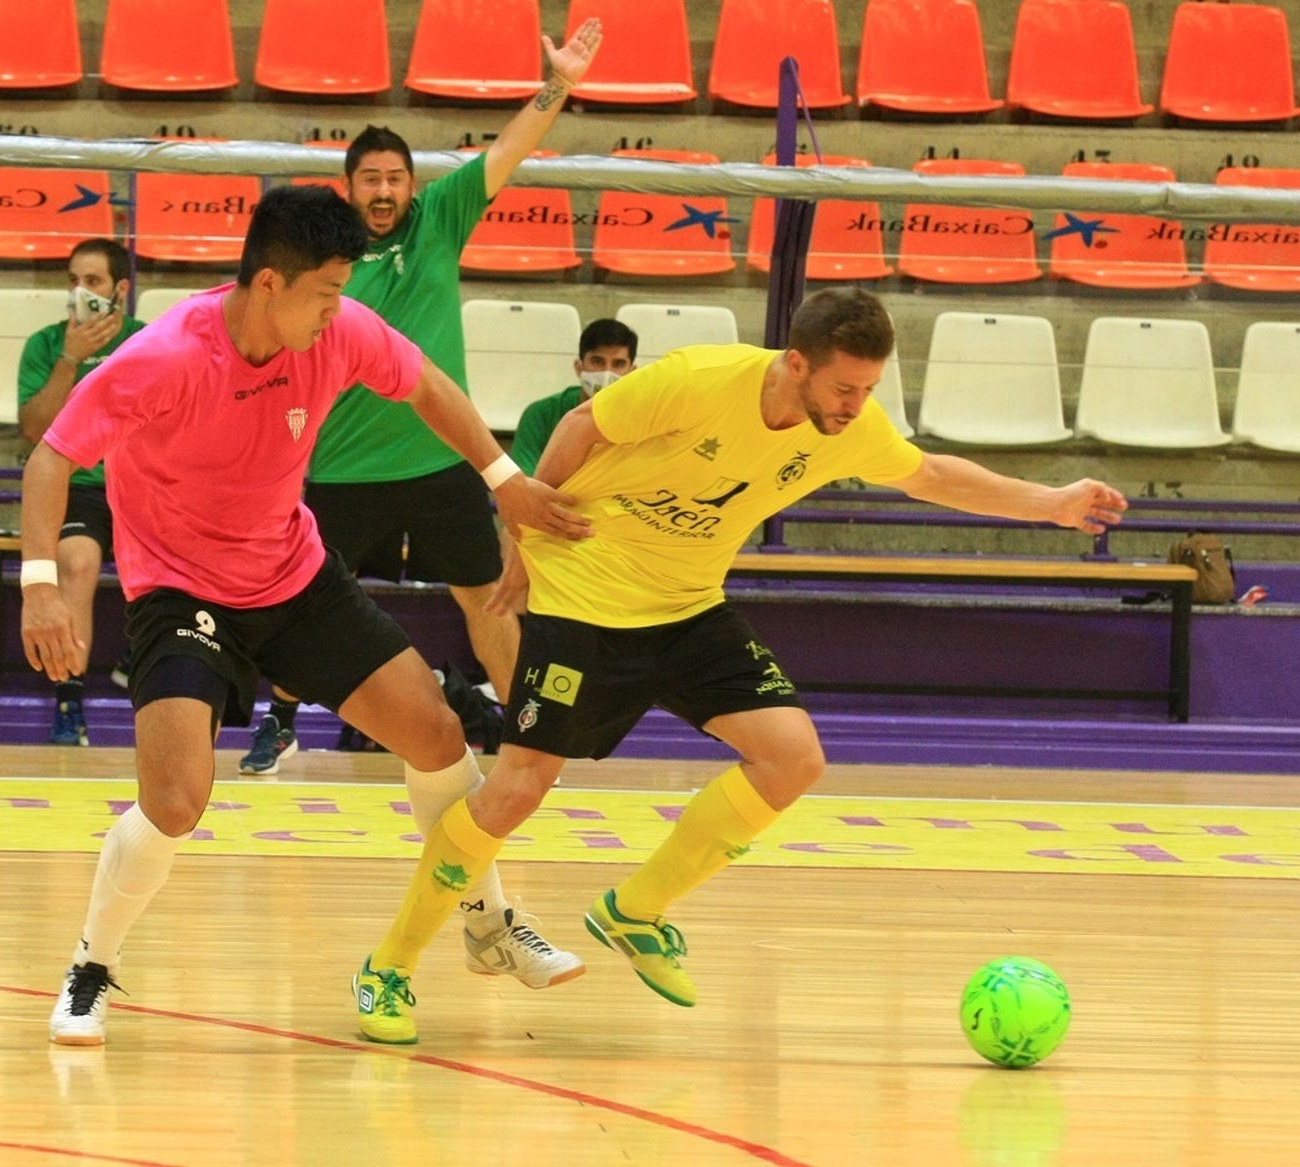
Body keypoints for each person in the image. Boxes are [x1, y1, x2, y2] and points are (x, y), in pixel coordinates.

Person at [353, 287, 1129, 1043]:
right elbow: (586, 422)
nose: (856, 404)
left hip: (687, 605)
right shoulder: (700, 379)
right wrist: (527, 537)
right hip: (585, 593)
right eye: (845, 386)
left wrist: (1051, 502)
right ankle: (391, 963)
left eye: (868, 388)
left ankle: (636, 908)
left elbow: (928, 474)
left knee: (792, 757)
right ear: (796, 363)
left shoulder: (844, 427)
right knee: (520, 786)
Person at [21, 186, 593, 1047]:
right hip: (182, 590)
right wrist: (38, 584)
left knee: (438, 735)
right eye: (325, 291)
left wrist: (505, 481)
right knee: (176, 801)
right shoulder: (167, 354)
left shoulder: (339, 330)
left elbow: (429, 385)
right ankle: (92, 964)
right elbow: (52, 455)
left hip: (293, 575)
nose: (339, 309)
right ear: (266, 285)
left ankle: (491, 923)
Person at [240, 18, 605, 776]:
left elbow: (511, 147)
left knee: (489, 599)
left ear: (412, 184)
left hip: (442, 464)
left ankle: (524, 733)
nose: (383, 190)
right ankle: (277, 720)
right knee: (302, 597)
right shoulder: (324, 253)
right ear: (349, 189)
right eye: (369, 179)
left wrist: (560, 81)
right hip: (344, 468)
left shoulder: (441, 218)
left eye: (394, 178)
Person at [17, 239, 146, 746]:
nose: (80, 292)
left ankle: (141, 655)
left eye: (92, 282)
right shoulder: (46, 345)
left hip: (141, 485)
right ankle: (69, 699)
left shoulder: (147, 341)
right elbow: (35, 429)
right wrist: (71, 359)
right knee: (77, 563)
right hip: (79, 487)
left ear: (120, 289)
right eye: (73, 280)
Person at [512, 318, 638, 477]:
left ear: (632, 373)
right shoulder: (539, 414)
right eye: (597, 361)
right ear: (579, 367)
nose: (607, 373)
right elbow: (524, 484)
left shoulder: (644, 420)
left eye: (618, 364)